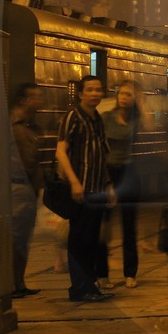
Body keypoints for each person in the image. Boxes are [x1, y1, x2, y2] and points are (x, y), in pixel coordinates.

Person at [56, 74, 115, 303]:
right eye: (89, 90)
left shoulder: (96, 118)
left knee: (91, 239)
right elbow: (61, 151)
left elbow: (101, 154)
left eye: (98, 90)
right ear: (80, 93)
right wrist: (74, 182)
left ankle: (90, 285)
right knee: (80, 239)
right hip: (81, 189)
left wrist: (108, 185)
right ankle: (80, 287)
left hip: (97, 188)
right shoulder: (73, 117)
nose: (95, 94)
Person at [103, 80, 144, 288]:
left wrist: (142, 104)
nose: (124, 98)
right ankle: (102, 274)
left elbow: (151, 126)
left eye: (129, 94)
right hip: (109, 174)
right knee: (104, 226)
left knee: (130, 227)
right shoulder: (106, 118)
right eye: (121, 94)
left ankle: (130, 273)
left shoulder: (137, 119)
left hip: (130, 174)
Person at [9, 83, 42, 297]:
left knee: (23, 238)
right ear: (24, 100)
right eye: (36, 97)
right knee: (16, 237)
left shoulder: (28, 125)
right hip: (17, 186)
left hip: (27, 186)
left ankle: (19, 283)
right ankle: (13, 284)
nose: (40, 102)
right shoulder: (14, 125)